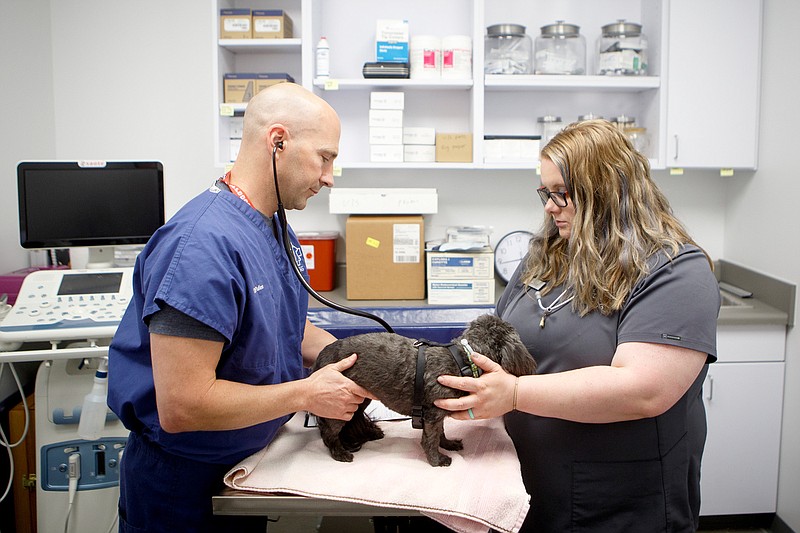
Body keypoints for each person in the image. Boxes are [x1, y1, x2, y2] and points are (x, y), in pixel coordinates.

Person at [107, 82, 373, 532]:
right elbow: (184, 405)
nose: (330, 176)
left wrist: (362, 365)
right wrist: (306, 394)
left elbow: (283, 325)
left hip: (242, 466)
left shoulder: (273, 225)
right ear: (278, 141)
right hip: (183, 486)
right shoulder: (200, 248)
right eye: (325, 157)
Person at [435, 119, 720, 532]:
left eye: (562, 194)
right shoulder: (547, 255)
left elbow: (644, 389)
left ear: (607, 191)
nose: (550, 207)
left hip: (618, 503)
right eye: (544, 193)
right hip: (528, 488)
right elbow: (501, 333)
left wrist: (514, 393)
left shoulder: (675, 271)